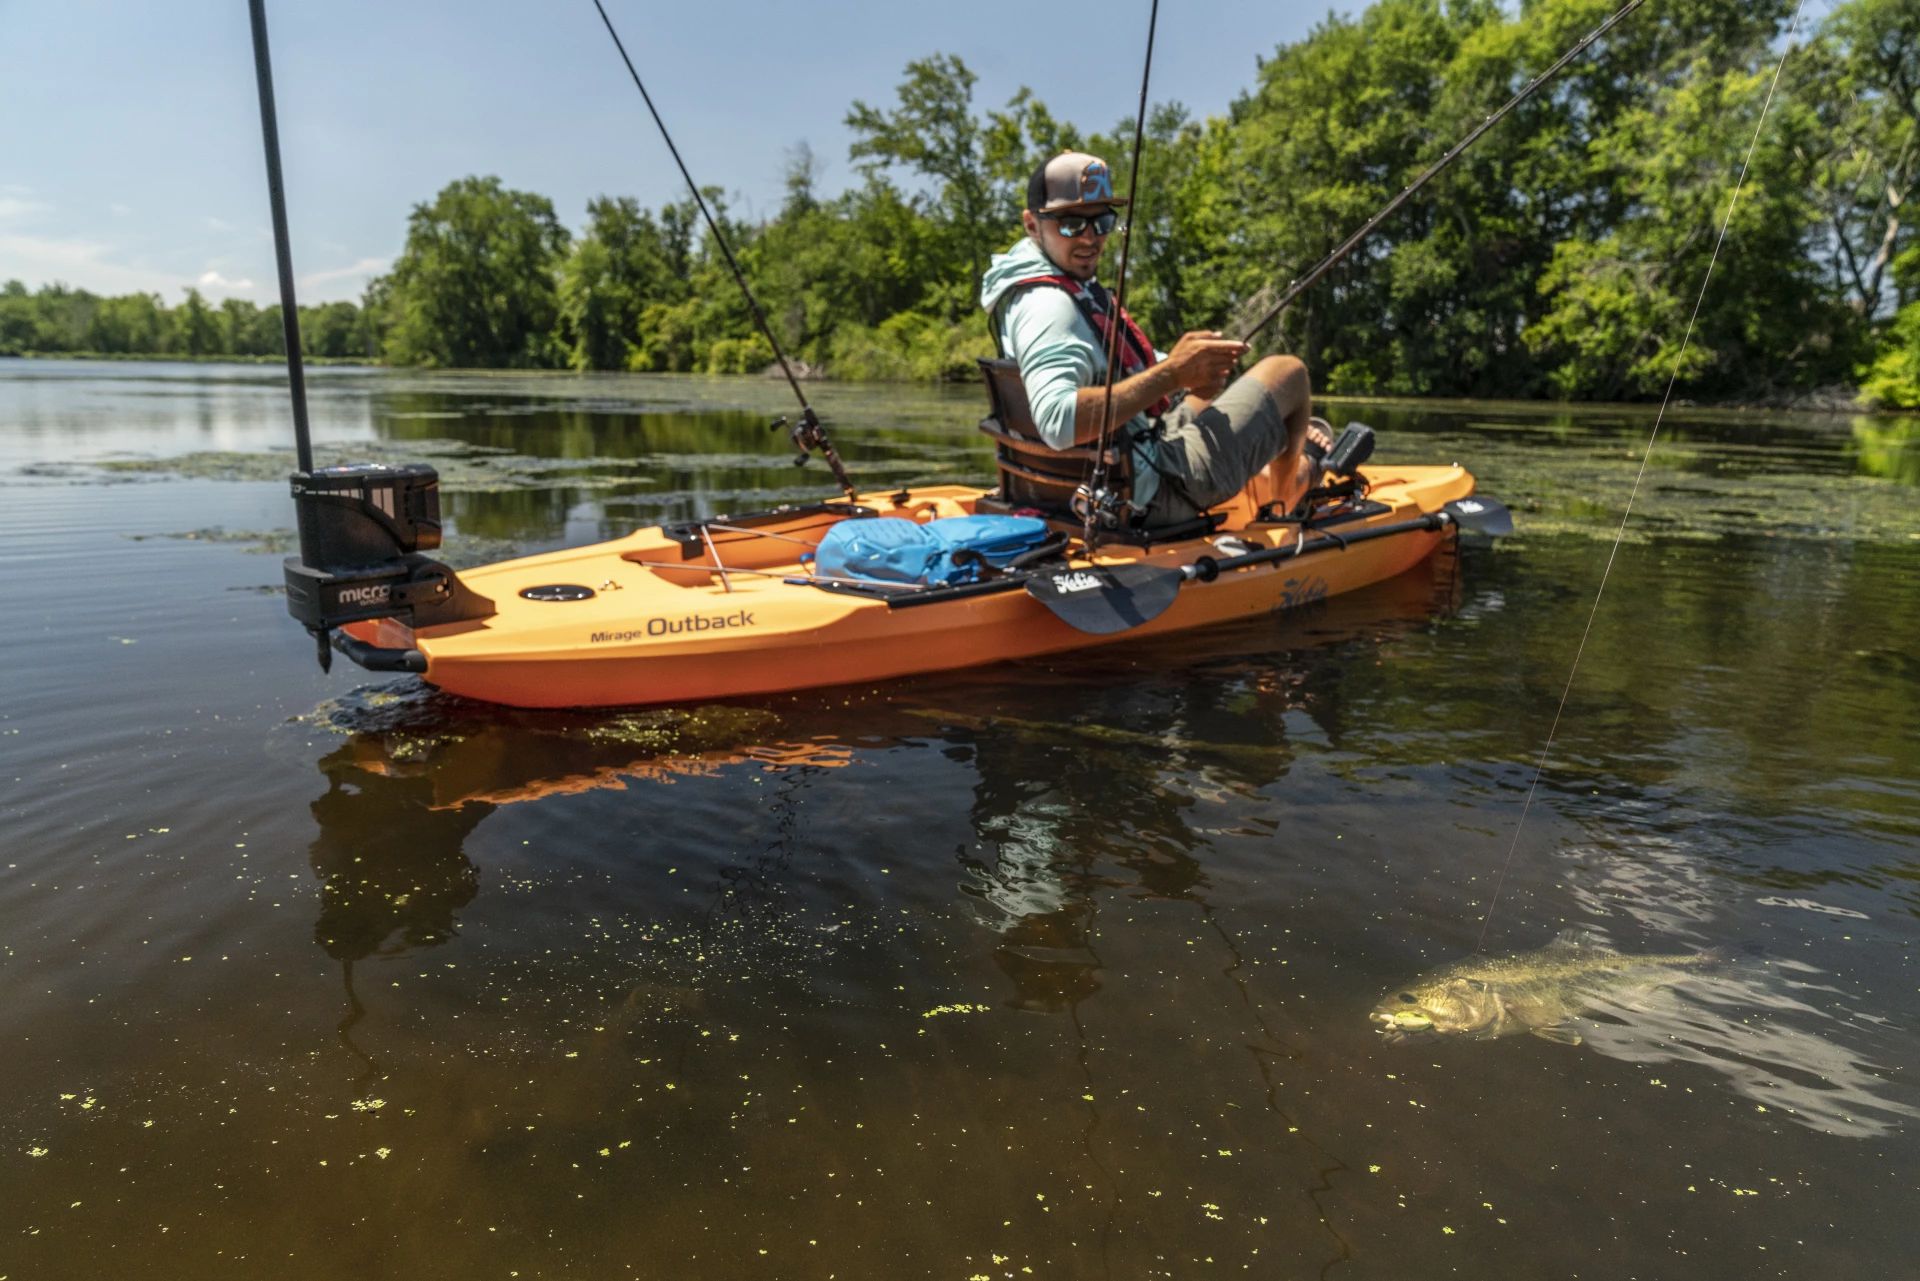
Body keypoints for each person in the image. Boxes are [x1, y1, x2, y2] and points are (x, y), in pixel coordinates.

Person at [979, 150, 1327, 527]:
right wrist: (1171, 374)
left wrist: (1184, 370)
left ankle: (1275, 459)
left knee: (1202, 394)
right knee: (1288, 373)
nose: (1090, 238)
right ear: (1032, 225)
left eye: (1102, 222)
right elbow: (1058, 423)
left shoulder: (1025, 282)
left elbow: (1099, 364)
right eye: (1071, 223)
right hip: (1144, 495)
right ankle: (1288, 499)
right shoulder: (1050, 306)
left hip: (1094, 477)